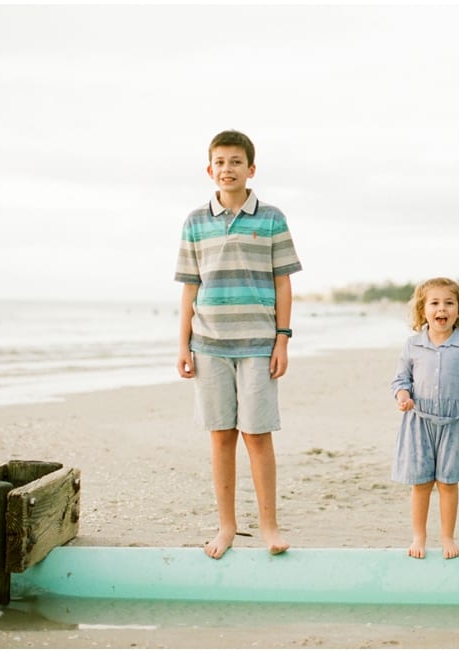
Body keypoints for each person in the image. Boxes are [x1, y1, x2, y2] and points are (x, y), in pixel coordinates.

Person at [175, 130, 302, 559]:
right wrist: (182, 345)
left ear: (251, 168)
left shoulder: (271, 218)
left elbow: (282, 284)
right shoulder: (195, 221)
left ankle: (269, 526)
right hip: (208, 344)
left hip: (257, 345)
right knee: (221, 436)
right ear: (210, 170)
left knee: (257, 435)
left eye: (235, 161)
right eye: (220, 162)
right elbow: (190, 288)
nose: (227, 169)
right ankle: (226, 526)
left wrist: (282, 340)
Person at [392, 278, 459, 560]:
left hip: (453, 423)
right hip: (419, 422)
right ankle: (419, 536)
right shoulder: (413, 345)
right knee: (421, 483)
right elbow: (401, 379)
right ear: (423, 310)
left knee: (448, 483)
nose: (442, 308)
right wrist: (403, 396)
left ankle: (447, 536)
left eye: (449, 303)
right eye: (434, 303)